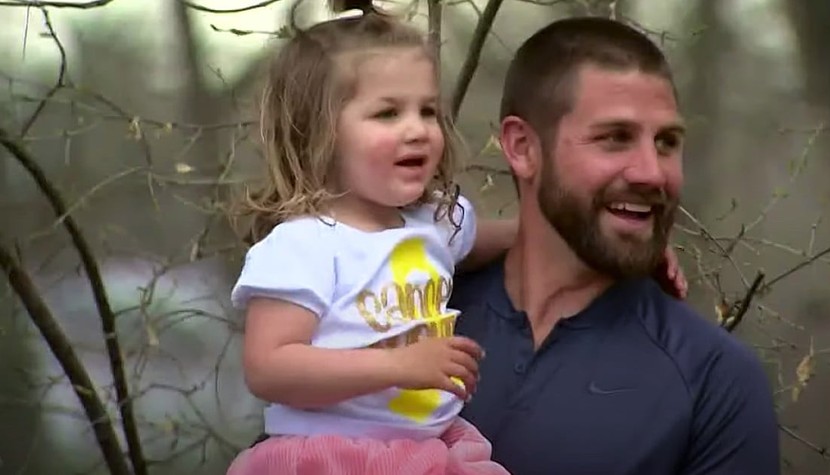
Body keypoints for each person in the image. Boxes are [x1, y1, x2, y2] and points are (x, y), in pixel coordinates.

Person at [224, 3, 689, 474]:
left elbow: (518, 239)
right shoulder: (303, 245)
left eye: (427, 110)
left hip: (428, 453)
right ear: (319, 133)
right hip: (333, 458)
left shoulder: (432, 224)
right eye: (387, 113)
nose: (418, 130)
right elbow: (270, 368)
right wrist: (399, 367)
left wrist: (622, 245)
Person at [449, 16, 782, 475]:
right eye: (615, 138)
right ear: (523, 147)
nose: (652, 172)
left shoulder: (713, 382)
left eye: (666, 142)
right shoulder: (402, 313)